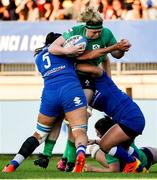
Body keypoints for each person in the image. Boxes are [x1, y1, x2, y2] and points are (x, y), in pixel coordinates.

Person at [34, 6, 131, 172]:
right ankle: (56, 156)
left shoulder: (106, 34)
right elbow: (52, 48)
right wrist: (67, 50)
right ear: (86, 28)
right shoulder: (75, 31)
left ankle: (69, 159)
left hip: (88, 79)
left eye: (100, 31)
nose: (98, 35)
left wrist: (121, 49)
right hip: (71, 77)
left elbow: (111, 57)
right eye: (94, 33)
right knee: (64, 118)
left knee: (81, 117)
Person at [2, 32, 89, 173]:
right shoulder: (66, 52)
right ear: (58, 43)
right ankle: (79, 157)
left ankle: (13, 164)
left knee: (39, 134)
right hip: (70, 89)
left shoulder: (39, 57)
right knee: (79, 131)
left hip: (50, 94)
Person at [86, 116, 157, 173]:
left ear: (105, 134)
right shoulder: (124, 134)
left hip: (135, 164)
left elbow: (114, 170)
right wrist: (95, 141)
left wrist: (92, 169)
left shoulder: (109, 150)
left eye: (98, 133)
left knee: (93, 148)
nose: (97, 135)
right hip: (145, 158)